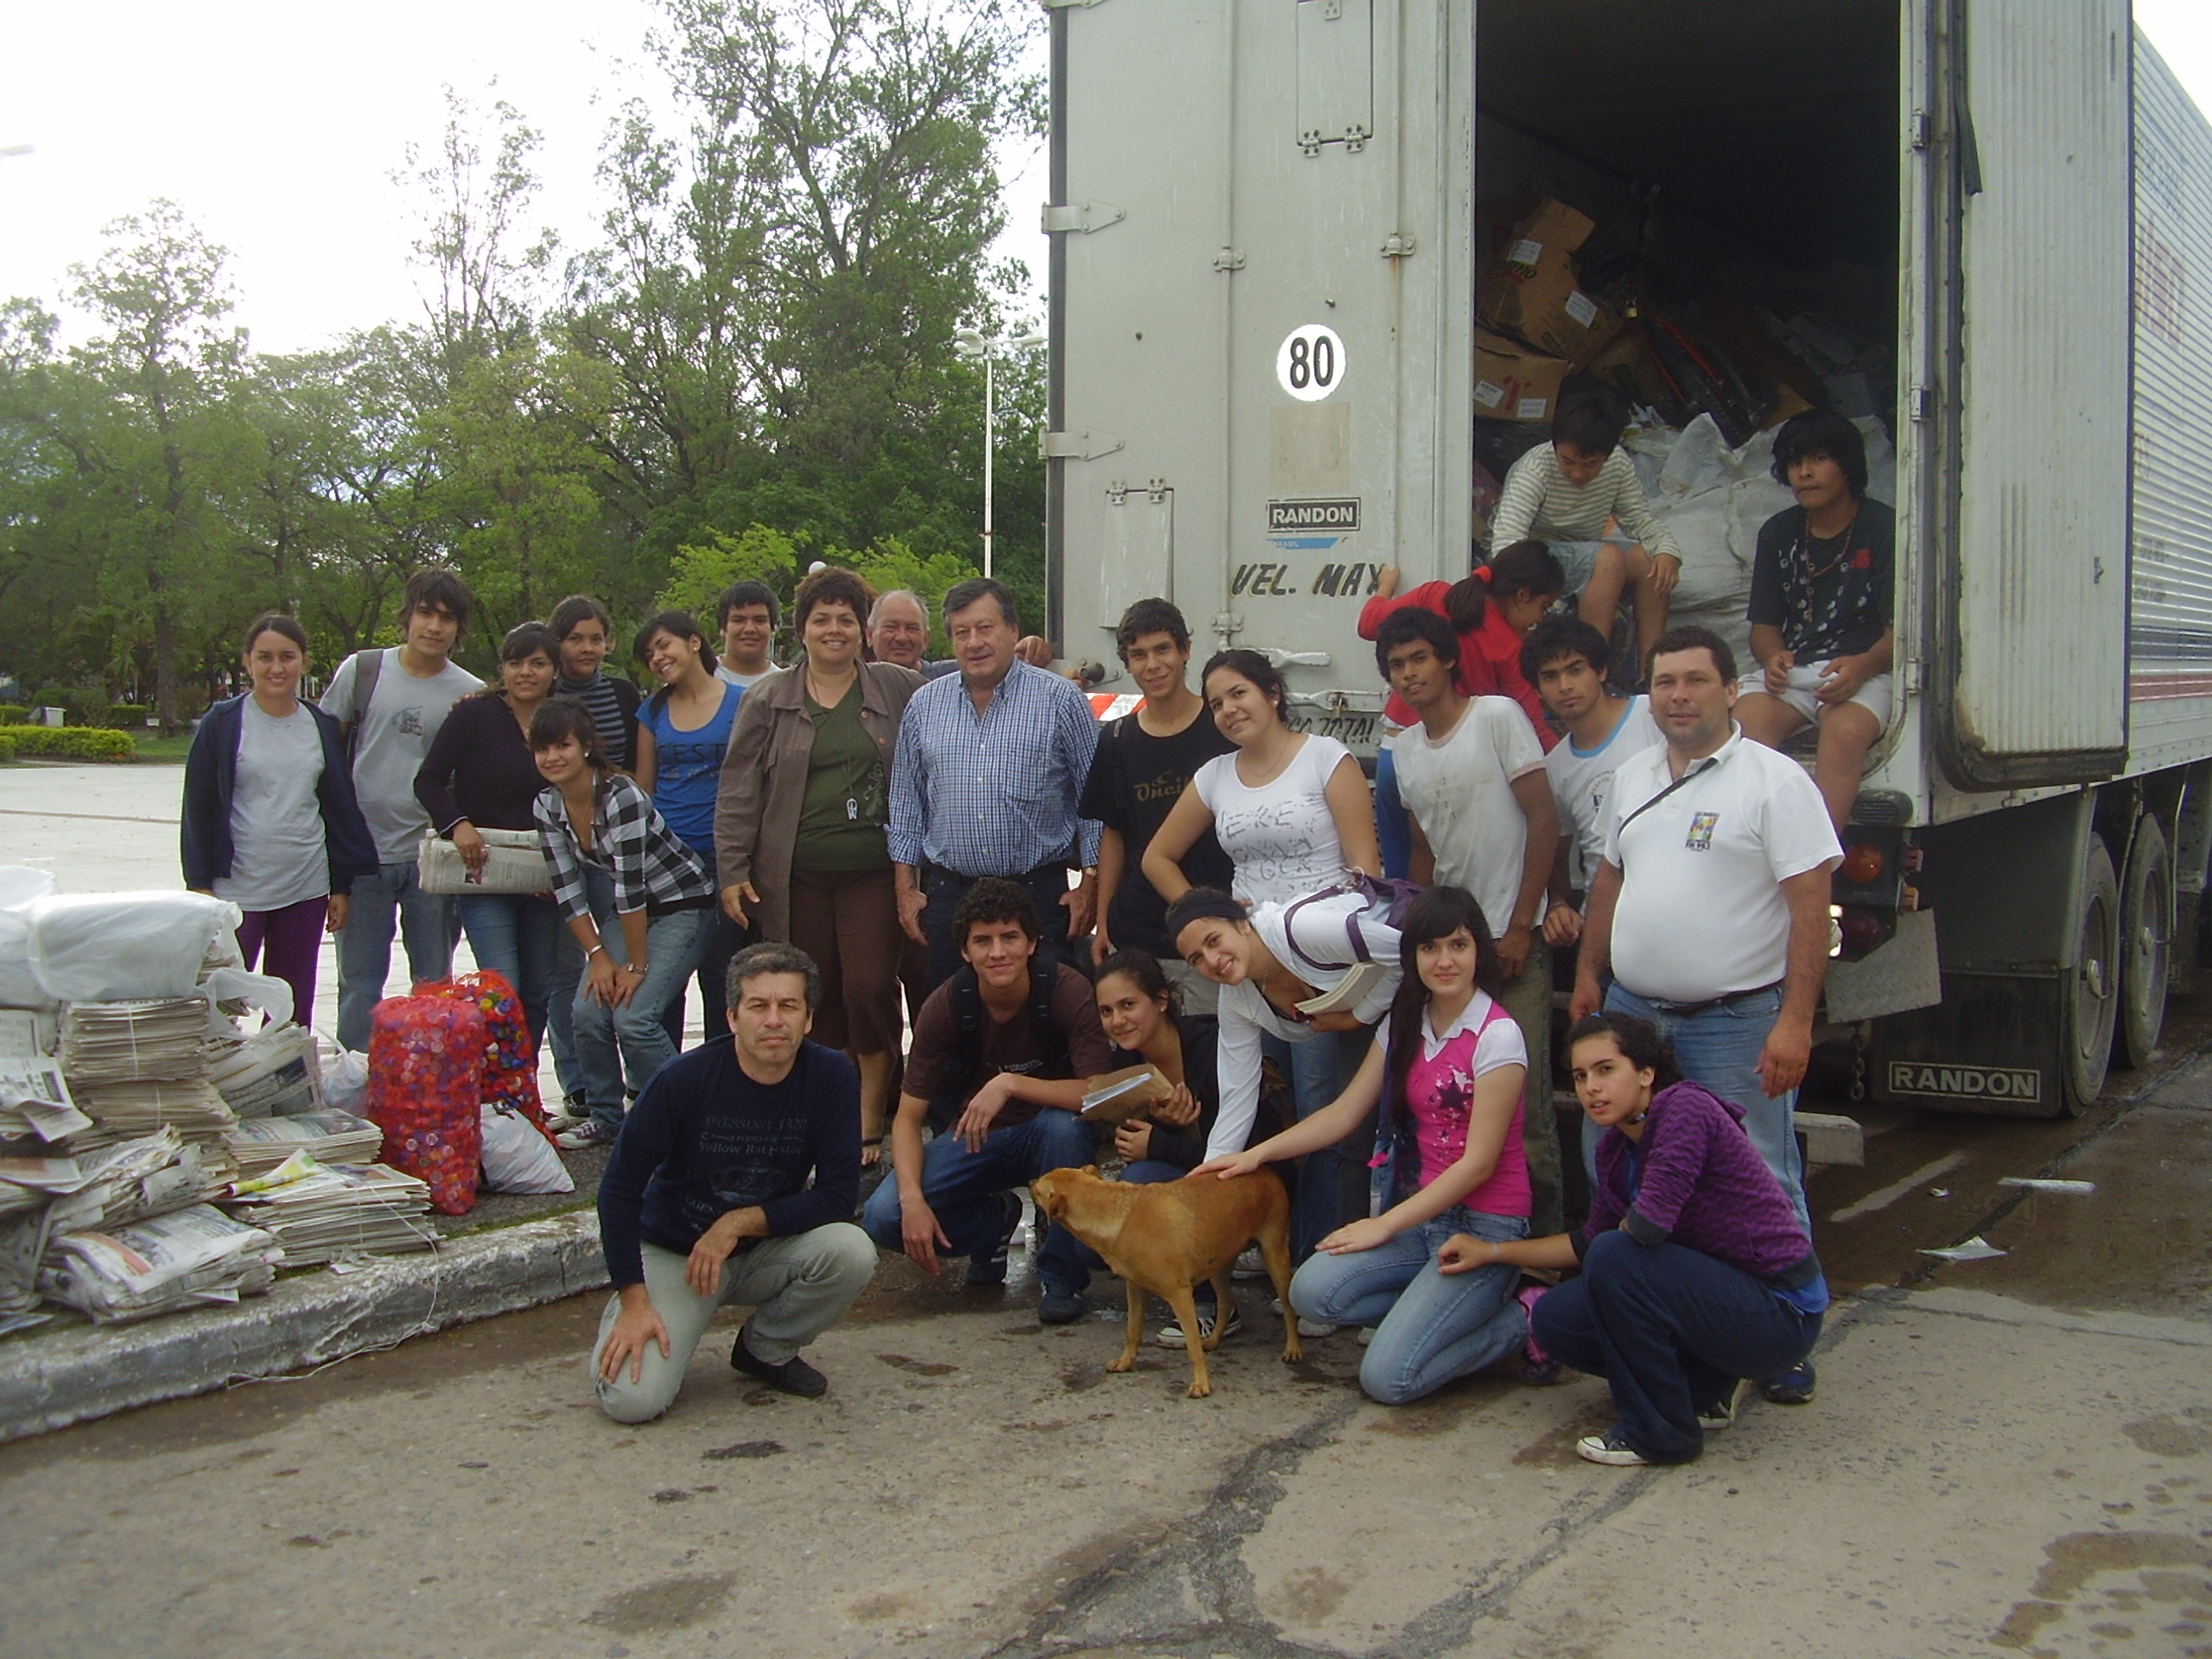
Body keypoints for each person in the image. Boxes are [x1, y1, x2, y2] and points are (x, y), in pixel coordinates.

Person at [1569, 625, 1840, 1404]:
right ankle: (1674, 1314)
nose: (1679, 696)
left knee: (1759, 1172)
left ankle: (1784, 1331)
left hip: (1734, 1019)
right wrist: (1589, 976)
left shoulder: (1774, 782)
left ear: (1731, 691)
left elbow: (1809, 907)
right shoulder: (1633, 776)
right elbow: (1608, 884)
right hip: (1631, 1012)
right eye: (1664, 683)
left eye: (1694, 681)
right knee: (1614, 1162)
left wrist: (1794, 1023)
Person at [1195, 887, 1532, 1404]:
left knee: (1387, 1380)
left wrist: (1383, 1224)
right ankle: (1434, 1306)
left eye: (1458, 946)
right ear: (1412, 955)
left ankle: (1522, 1320)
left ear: (1478, 952)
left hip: (1486, 1227)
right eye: (1429, 948)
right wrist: (1254, 1154)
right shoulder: (1405, 1023)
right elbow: (1342, 1114)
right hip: (1425, 1224)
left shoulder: (1498, 1035)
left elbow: (1478, 1165)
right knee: (1311, 1293)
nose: (1444, 961)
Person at [1452, 1013, 1827, 1466]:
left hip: (1781, 1310)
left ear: (1646, 1073)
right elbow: (1588, 1242)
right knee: (1556, 1318)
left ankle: (1661, 1435)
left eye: (1606, 1069)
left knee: (1618, 1257)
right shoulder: (1615, 1148)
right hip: (1720, 1303)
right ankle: (1704, 1390)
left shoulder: (1685, 1109)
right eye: (1581, 1075)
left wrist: (1613, 1246)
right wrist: (1491, 1252)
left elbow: (1646, 1228)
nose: (1591, 1087)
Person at [591, 942, 875, 1417]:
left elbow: (837, 1197)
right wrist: (634, 1299)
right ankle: (641, 1317)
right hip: (678, 1252)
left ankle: (766, 1348)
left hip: (762, 1246)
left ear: (808, 1019)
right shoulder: (681, 1080)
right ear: (731, 1017)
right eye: (758, 1006)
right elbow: (618, 1191)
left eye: (788, 1006)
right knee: (632, 1402)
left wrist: (739, 1222)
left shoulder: (832, 1076)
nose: (773, 1021)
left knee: (851, 1250)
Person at [717, 567, 923, 1169]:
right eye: (821, 619)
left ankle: (871, 1114)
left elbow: (958, 700)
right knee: (817, 994)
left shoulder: (896, 687)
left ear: (863, 631)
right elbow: (737, 792)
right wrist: (732, 870)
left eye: (845, 620)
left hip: (873, 873)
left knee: (868, 989)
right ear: (801, 630)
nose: (834, 630)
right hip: (794, 876)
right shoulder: (768, 697)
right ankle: (829, 1109)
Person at [1377, 607, 1565, 1233]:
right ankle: (1462, 1243)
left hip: (1514, 942)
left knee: (1527, 1115)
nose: (1409, 674)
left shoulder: (1496, 717)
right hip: (1450, 951)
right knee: (1446, 1109)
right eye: (1397, 666)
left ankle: (1542, 1273)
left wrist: (1517, 928)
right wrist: (1417, 941)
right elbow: (1425, 851)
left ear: (1448, 659)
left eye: (1419, 659)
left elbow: (1544, 821)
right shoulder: (1402, 751)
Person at [860, 880, 1114, 1324]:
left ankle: (1061, 1277)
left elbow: (1098, 1092)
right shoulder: (947, 1003)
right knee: (884, 1216)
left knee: (1063, 1128)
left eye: (1009, 937)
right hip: (979, 1137)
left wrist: (1010, 1085)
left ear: (1032, 942)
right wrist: (913, 1198)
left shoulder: (1066, 989)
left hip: (1052, 1136)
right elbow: (906, 1118)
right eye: (983, 941)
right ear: (965, 951)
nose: (997, 952)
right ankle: (992, 1224)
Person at [1166, 885, 1402, 1311]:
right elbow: (1237, 1095)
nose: (1211, 961)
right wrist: (1204, 1185)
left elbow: (1413, 950)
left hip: (1416, 996)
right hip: (1369, 1021)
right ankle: (1360, 1275)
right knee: (1351, 1137)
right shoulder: (1236, 997)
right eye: (1195, 959)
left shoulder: (1301, 930)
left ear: (1242, 922)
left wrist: (1357, 1017)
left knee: (1399, 1141)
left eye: (1213, 941)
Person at [887, 578, 1103, 989]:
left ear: (1013, 631)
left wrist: (1089, 885)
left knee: (1040, 1022)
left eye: (985, 628)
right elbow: (906, 803)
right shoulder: (924, 705)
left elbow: (1094, 802)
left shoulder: (1060, 701)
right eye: (961, 632)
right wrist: (905, 887)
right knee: (953, 1020)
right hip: (951, 895)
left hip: (1039, 894)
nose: (974, 643)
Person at [531, 700, 718, 1149]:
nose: (553, 758)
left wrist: (633, 966)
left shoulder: (622, 796)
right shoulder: (547, 805)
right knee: (587, 1010)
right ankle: (606, 1117)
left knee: (634, 1019)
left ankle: (695, 1117)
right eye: (543, 749)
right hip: (630, 913)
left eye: (563, 745)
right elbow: (567, 888)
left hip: (684, 906)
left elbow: (630, 887)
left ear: (587, 747)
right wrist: (597, 957)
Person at [182, 613, 378, 1027]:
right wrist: (199, 885)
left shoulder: (320, 726)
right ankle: (226, 1082)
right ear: (247, 662)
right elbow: (198, 807)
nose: (276, 668)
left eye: (287, 657)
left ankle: (290, 1084)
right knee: (221, 1005)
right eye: (265, 657)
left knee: (291, 1007)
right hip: (236, 889)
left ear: (304, 662)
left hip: (303, 886)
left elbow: (336, 808)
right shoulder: (222, 723)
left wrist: (339, 886)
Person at [320, 569, 482, 1052]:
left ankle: (427, 1085)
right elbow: (327, 753)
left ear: (459, 629)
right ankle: (353, 1082)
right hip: (364, 852)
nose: (434, 627)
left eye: (447, 618)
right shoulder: (363, 671)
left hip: (430, 859)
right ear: (407, 616)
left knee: (433, 984)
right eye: (426, 613)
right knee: (358, 986)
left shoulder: (469, 693)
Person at [1032, 948, 1229, 1336]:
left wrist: (1161, 1144)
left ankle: (1210, 1302)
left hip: (1237, 1187)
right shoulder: (1126, 1067)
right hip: (1189, 1180)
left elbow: (1242, 1152)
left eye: (1128, 1005)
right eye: (1106, 1012)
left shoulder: (1211, 1046)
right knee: (1088, 1242)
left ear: (1161, 1000)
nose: (1117, 1021)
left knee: (1142, 1178)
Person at [1358, 543, 1567, 880]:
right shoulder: (1510, 650)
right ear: (1523, 596)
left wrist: (1384, 589)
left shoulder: (1435, 595)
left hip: (1392, 757)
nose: (1540, 619)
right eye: (1543, 607)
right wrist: (1577, 764)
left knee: (1399, 882)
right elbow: (1536, 728)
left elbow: (1369, 624)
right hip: (1448, 769)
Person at [1733, 410, 1896, 834]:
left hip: (1869, 668)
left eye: (1818, 459)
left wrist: (1860, 667)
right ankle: (1743, 851)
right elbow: (1764, 628)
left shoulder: (1885, 528)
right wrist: (1772, 658)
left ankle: (1815, 866)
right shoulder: (1778, 532)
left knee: (1843, 734)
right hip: (1799, 670)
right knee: (1740, 730)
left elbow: (1902, 633)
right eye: (1794, 463)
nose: (1804, 473)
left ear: (1847, 465)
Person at [414, 621, 568, 1052]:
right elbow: (428, 780)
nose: (526, 673)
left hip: (544, 876)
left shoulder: (562, 719)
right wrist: (456, 824)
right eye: (515, 663)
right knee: (502, 991)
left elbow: (583, 789)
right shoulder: (474, 714)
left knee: (538, 991)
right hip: (483, 872)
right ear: (502, 668)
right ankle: (493, 1090)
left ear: (554, 669)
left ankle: (523, 1086)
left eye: (538, 664)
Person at [1081, 598, 1236, 1014]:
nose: (1153, 665)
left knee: (1212, 1062)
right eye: (1139, 655)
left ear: (1186, 649)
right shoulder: (1116, 741)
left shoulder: (1223, 731)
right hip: (1140, 931)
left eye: (1163, 649)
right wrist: (1103, 923)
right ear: (1127, 664)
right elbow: (1113, 835)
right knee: (1146, 1066)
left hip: (1217, 933)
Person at [1490, 378, 1684, 672]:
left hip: (1581, 550)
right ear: (1555, 444)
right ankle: (1592, 669)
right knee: (1607, 558)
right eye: (1568, 461)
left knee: (1649, 561)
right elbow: (1506, 543)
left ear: (1607, 454)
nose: (1577, 473)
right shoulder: (1535, 469)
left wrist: (1667, 551)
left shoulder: (1617, 466)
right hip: (1533, 558)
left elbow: (1641, 520)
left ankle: (1652, 672)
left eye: (1590, 465)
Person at [632, 609, 744, 1052]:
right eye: (649, 654)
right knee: (667, 979)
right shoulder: (652, 709)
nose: (658, 658)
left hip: (721, 856)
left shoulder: (741, 702)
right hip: (665, 861)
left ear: (694, 642)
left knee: (721, 973)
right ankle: (665, 1081)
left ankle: (724, 1077)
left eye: (664, 645)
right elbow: (644, 786)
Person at [1520, 615, 1665, 944]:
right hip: (1604, 933)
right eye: (1550, 676)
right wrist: (1557, 904)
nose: (1565, 686)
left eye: (1575, 670)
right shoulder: (1554, 768)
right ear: (1539, 689)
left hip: (1672, 916)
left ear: (1601, 671)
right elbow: (1555, 857)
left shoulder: (1652, 716)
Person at [550, 594, 643, 772]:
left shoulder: (624, 694)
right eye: (575, 639)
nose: (587, 649)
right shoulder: (546, 695)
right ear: (557, 643)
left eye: (596, 639)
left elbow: (636, 762)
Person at [714, 579, 785, 689]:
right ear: (723, 628)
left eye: (759, 620)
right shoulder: (701, 677)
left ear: (772, 629)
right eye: (739, 620)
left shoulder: (787, 686)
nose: (749, 629)